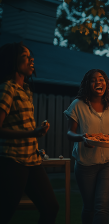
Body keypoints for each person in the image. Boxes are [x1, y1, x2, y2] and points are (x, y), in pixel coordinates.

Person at [0, 42, 58, 224]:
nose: (31, 59)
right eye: (25, 56)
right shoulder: (7, 89)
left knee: (51, 208)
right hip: (13, 161)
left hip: (32, 161)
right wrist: (32, 133)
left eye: (30, 56)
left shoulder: (25, 90)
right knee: (5, 212)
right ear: (12, 61)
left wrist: (36, 131)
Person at [64, 69, 109, 224]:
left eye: (101, 79)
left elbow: (108, 134)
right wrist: (82, 138)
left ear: (106, 83)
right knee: (89, 207)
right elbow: (70, 133)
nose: (98, 82)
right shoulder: (78, 105)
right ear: (87, 84)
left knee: (102, 207)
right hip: (85, 163)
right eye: (93, 80)